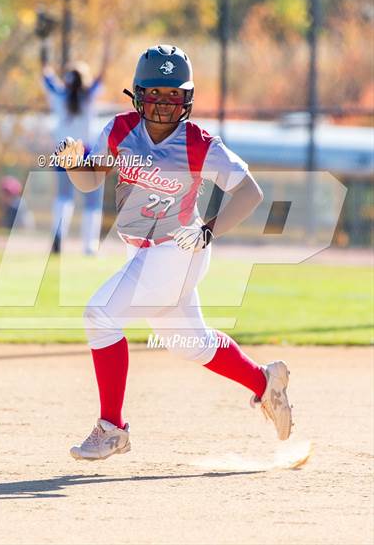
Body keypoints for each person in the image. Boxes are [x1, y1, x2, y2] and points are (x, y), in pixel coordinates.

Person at [55, 45, 293, 461]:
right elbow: (91, 184)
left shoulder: (200, 143)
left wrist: (209, 230)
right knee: (190, 343)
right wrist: (76, 165)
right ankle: (264, 383)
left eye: (173, 94)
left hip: (178, 249)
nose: (163, 103)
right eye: (155, 93)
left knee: (101, 314)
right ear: (138, 95)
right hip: (146, 254)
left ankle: (112, 428)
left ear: (187, 100)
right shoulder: (119, 130)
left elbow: (249, 192)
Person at [42, 41, 110, 254]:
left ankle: (58, 236)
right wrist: (107, 41)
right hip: (85, 151)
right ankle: (90, 245)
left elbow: (46, 74)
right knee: (92, 199)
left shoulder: (59, 95)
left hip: (63, 151)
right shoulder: (88, 96)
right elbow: (102, 74)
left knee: (63, 196)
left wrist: (44, 43)